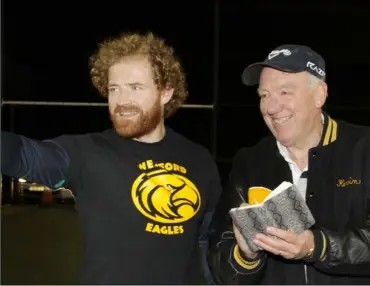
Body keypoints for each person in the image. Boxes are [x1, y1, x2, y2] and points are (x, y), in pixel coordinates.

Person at [1, 32, 222, 284]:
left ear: (166, 93)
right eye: (114, 89)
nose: (121, 101)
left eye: (135, 88)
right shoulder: (87, 152)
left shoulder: (199, 159)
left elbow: (208, 245)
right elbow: (23, 155)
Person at [208, 45, 370, 284]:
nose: (271, 108)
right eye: (264, 95)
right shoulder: (250, 162)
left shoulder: (363, 149)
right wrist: (246, 255)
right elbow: (223, 267)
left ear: (319, 95)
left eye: (285, 92)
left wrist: (317, 246)